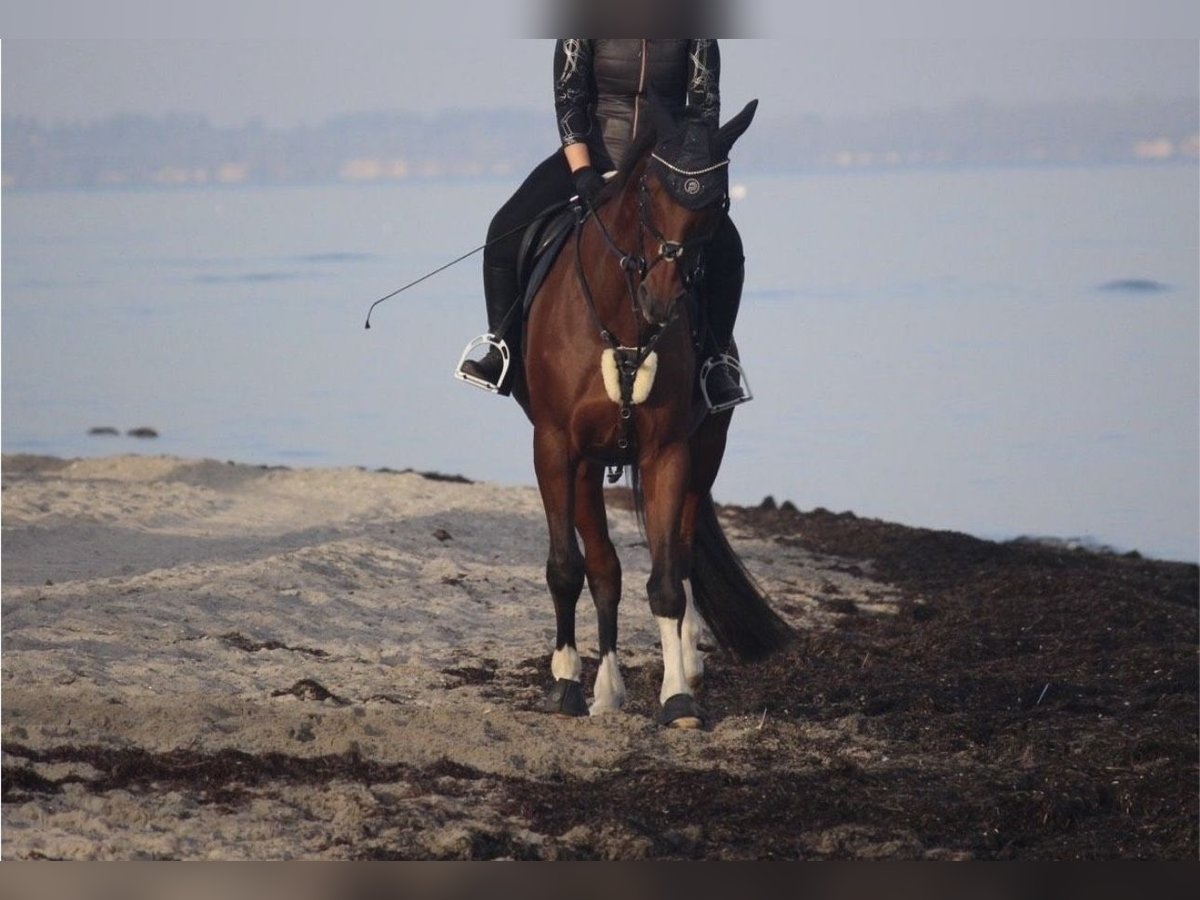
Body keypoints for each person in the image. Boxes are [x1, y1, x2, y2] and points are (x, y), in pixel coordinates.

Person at [457, 39, 749, 410]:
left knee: (728, 248)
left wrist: (685, 169)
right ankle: (502, 348)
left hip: (668, 166)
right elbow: (569, 102)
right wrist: (582, 172)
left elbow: (705, 107)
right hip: (592, 156)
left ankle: (714, 359)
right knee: (503, 230)